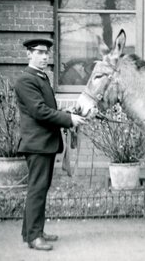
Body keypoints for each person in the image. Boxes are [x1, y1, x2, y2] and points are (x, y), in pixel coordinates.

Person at [15, 38, 88, 251]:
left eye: (47, 52)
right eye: (39, 52)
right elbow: (39, 111)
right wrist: (68, 120)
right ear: (28, 54)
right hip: (36, 144)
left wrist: (70, 115)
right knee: (37, 189)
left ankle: (31, 231)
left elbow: (47, 109)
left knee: (40, 188)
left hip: (43, 143)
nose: (45, 56)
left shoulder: (41, 77)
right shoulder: (26, 80)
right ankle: (34, 237)